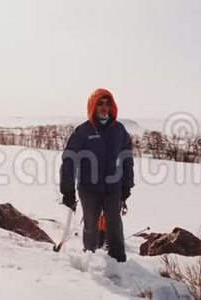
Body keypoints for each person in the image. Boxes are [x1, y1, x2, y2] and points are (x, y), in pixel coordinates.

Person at [59, 88, 134, 262]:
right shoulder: (83, 131)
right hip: (89, 188)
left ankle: (119, 263)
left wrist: (127, 186)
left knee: (114, 226)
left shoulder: (119, 130)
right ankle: (90, 261)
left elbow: (127, 159)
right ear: (93, 106)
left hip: (113, 188)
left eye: (108, 104)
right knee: (91, 227)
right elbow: (69, 160)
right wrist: (67, 190)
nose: (104, 107)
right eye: (100, 103)